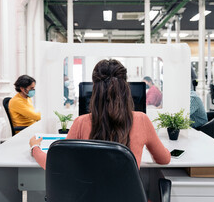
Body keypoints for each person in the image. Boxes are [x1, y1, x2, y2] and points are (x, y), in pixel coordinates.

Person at [30, 59, 171, 169]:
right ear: (125, 89)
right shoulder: (142, 120)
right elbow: (164, 160)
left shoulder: (80, 123)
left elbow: (55, 164)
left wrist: (35, 147)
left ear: (95, 91)